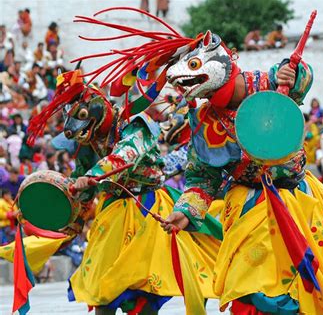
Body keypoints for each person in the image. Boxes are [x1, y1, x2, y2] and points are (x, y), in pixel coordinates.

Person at [73, 10, 323, 313]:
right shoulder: (203, 120)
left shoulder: (269, 82)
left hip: (299, 196)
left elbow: (302, 79)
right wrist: (184, 212)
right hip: (248, 202)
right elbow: (202, 180)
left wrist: (293, 73)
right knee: (249, 285)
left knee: (312, 287)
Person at [20, 66, 221, 314]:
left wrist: (92, 176)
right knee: (104, 291)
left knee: (145, 293)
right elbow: (82, 188)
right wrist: (67, 214)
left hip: (147, 209)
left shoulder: (135, 125)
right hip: (112, 213)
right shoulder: (88, 141)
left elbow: (126, 155)